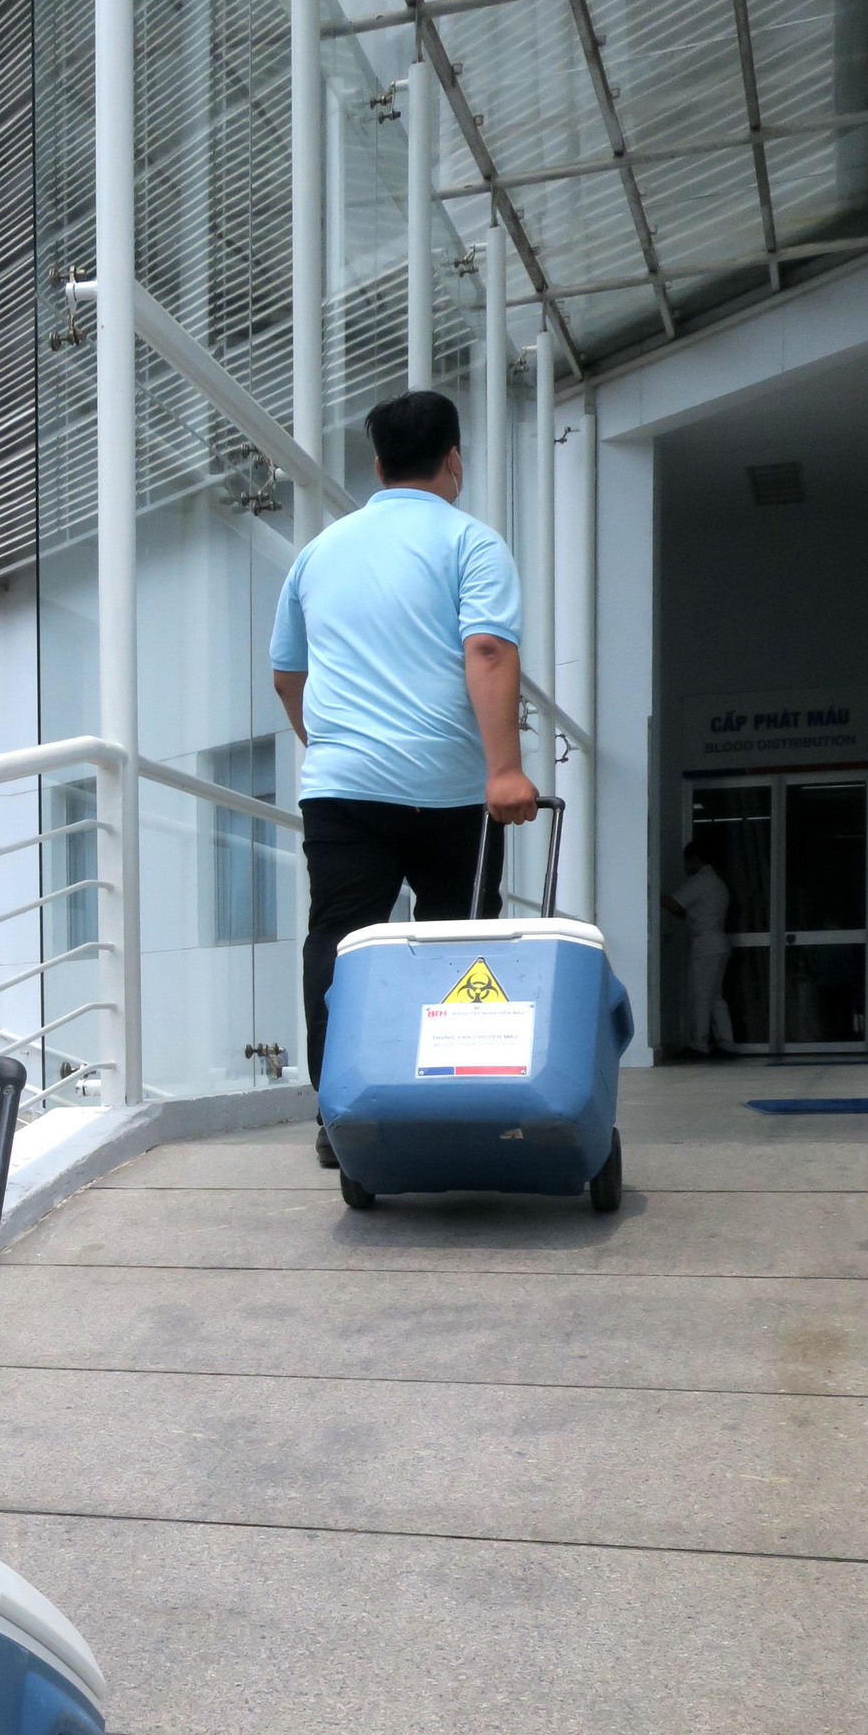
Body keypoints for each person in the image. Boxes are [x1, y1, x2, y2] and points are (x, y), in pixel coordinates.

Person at [270, 387, 538, 1165]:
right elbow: (487, 652)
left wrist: (330, 747)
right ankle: (456, 1095)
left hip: (343, 790)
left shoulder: (318, 553)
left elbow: (289, 677)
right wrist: (507, 771)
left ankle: (338, 1116)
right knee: (460, 944)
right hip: (454, 791)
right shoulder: (473, 543)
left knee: (341, 942)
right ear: (455, 459)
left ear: (379, 464)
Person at [662, 839, 735, 1058]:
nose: (686, 867)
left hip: (705, 944)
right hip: (718, 943)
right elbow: (692, 913)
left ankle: (699, 1044)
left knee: (700, 996)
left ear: (695, 860)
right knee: (715, 998)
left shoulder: (701, 881)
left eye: (687, 862)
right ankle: (726, 1043)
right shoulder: (717, 882)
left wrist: (654, 899)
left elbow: (675, 903)